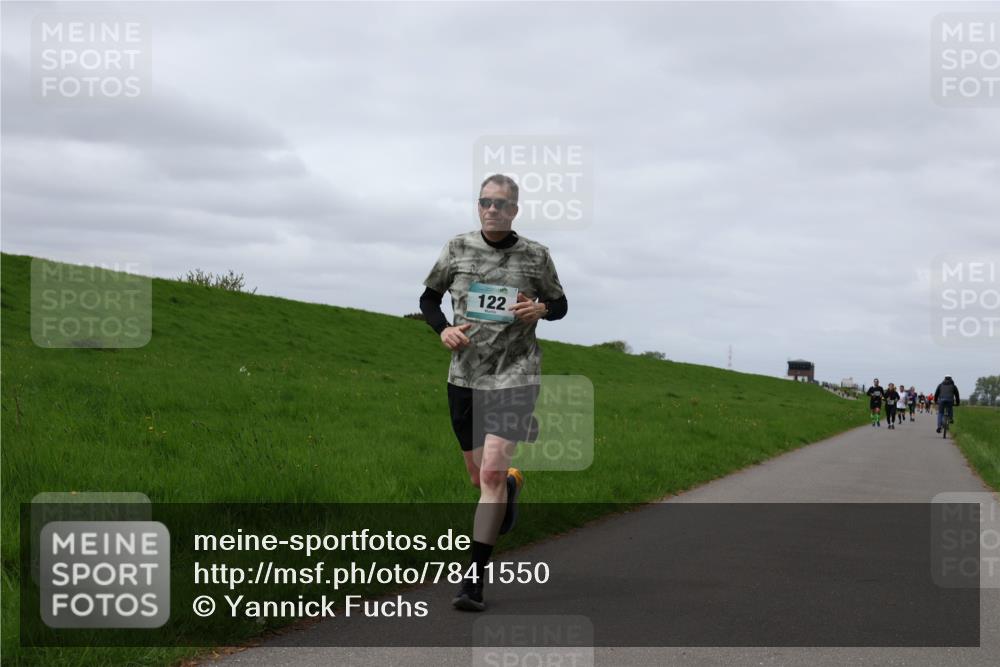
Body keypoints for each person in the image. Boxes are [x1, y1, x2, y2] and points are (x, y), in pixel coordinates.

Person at [420, 174, 567, 612]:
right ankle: (511, 486)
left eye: (501, 204)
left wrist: (541, 308)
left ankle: (473, 582)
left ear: (514, 210)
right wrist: (443, 329)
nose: (491, 209)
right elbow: (428, 299)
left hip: (516, 374)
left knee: (489, 476)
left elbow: (560, 305)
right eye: (485, 202)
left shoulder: (536, 256)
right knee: (479, 477)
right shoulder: (457, 248)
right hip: (465, 376)